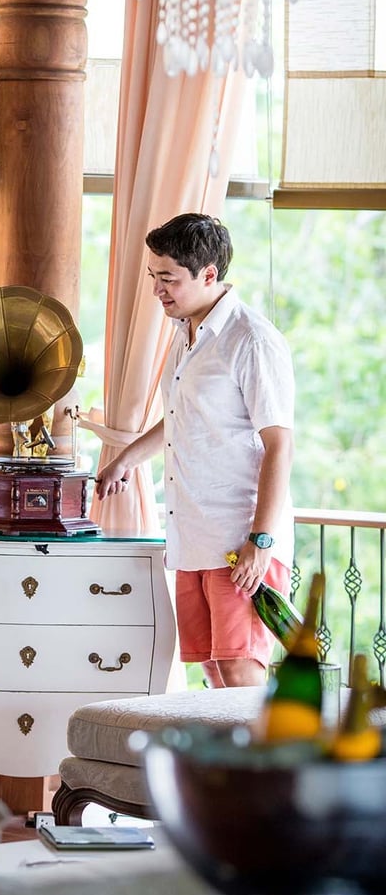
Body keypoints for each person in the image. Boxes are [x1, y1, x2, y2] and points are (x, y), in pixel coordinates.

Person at [95, 213, 294, 688]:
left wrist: (261, 543)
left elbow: (280, 444)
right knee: (212, 671)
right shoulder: (185, 334)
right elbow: (182, 418)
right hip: (192, 538)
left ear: (208, 274)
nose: (157, 290)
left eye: (168, 279)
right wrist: (126, 459)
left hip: (239, 541)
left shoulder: (251, 339)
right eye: (153, 276)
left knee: (239, 670)